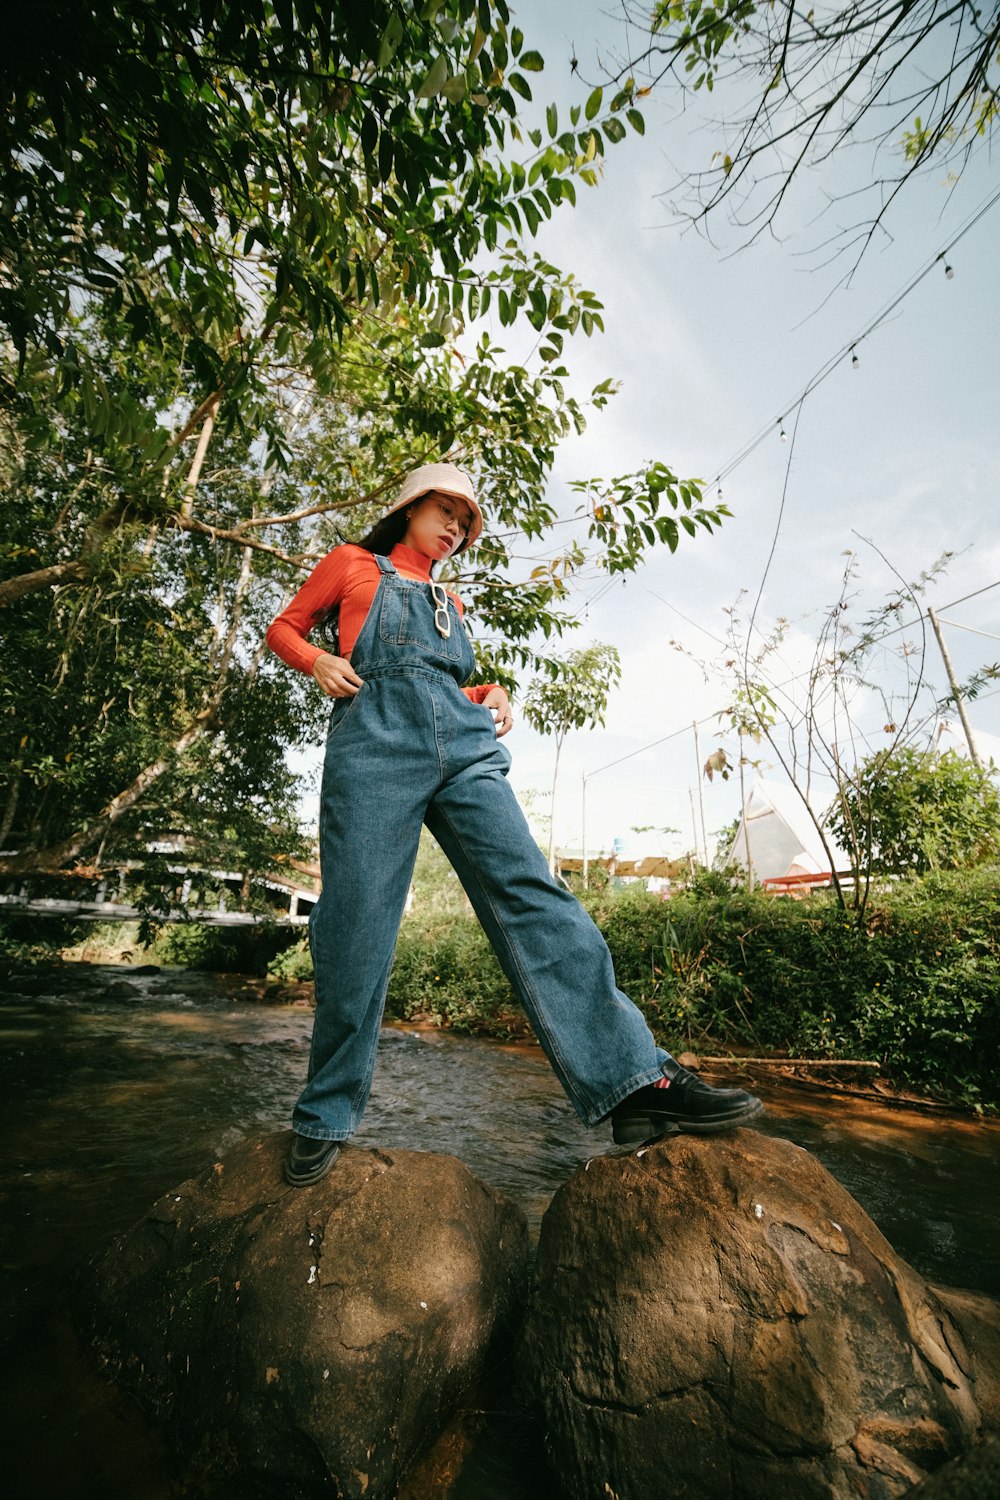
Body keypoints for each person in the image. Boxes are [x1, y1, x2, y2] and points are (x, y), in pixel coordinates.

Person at [266, 462, 763, 1186]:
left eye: (465, 522)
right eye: (446, 511)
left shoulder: (450, 599)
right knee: (357, 920)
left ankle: (635, 1083)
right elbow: (283, 626)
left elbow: (439, 679)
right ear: (410, 508)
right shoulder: (352, 563)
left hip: (465, 745)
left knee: (536, 893)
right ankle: (325, 1110)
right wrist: (315, 660)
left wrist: (486, 691)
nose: (456, 528)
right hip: (373, 742)